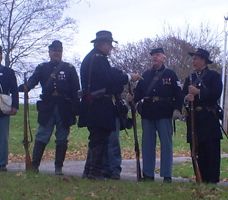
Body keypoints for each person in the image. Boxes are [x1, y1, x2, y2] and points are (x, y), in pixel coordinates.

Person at [78, 30, 141, 180]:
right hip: (99, 104)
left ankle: (89, 171)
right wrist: (128, 77)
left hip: (92, 102)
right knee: (99, 138)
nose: (111, 47)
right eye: (109, 44)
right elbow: (109, 78)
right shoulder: (98, 59)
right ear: (102, 43)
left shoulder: (92, 58)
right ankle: (95, 172)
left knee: (96, 138)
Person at [19, 40, 80, 175]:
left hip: (64, 107)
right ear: (49, 52)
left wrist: (76, 109)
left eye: (58, 51)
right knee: (42, 135)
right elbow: (33, 80)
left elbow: (76, 90)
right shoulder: (42, 68)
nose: (56, 53)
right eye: (54, 51)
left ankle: (58, 168)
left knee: (62, 138)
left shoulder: (69, 68)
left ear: (61, 52)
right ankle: (34, 165)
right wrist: (26, 87)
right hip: (47, 106)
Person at [133, 47, 184, 183]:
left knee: (166, 145)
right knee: (148, 145)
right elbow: (138, 93)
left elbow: (179, 93)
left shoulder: (171, 74)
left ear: (163, 57)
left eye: (157, 55)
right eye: (153, 55)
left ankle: (167, 174)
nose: (154, 57)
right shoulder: (146, 74)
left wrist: (177, 109)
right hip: (148, 112)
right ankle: (148, 174)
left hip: (164, 112)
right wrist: (131, 99)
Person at [183, 48, 223, 184]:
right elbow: (183, 96)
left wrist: (198, 92)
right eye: (193, 58)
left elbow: (215, 94)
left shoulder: (214, 76)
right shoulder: (190, 78)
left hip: (209, 119)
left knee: (211, 152)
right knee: (197, 150)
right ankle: (200, 179)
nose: (193, 61)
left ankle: (211, 181)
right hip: (194, 119)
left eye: (196, 58)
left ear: (203, 61)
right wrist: (187, 98)